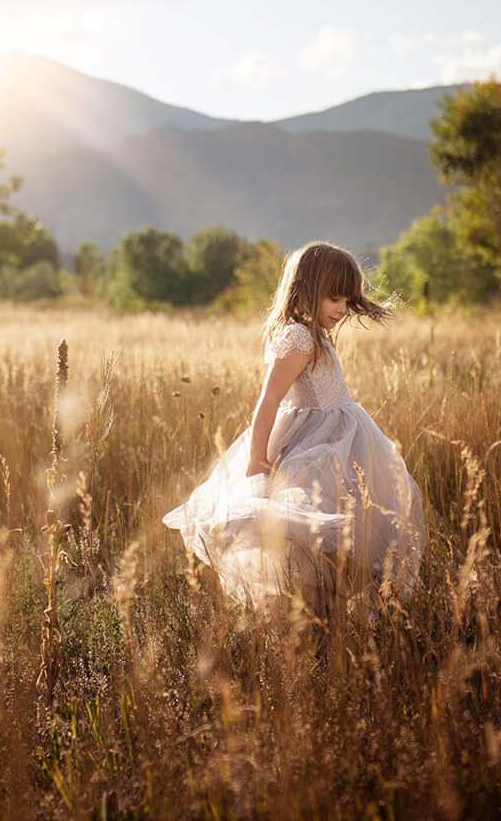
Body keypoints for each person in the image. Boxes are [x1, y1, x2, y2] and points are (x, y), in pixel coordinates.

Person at [163, 241, 426, 612]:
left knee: (347, 529)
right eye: (335, 298)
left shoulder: (315, 335)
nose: (343, 309)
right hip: (315, 447)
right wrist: (257, 458)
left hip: (341, 439)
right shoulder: (299, 337)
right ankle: (317, 610)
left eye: (348, 301)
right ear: (308, 290)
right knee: (312, 529)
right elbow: (270, 399)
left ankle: (341, 607)